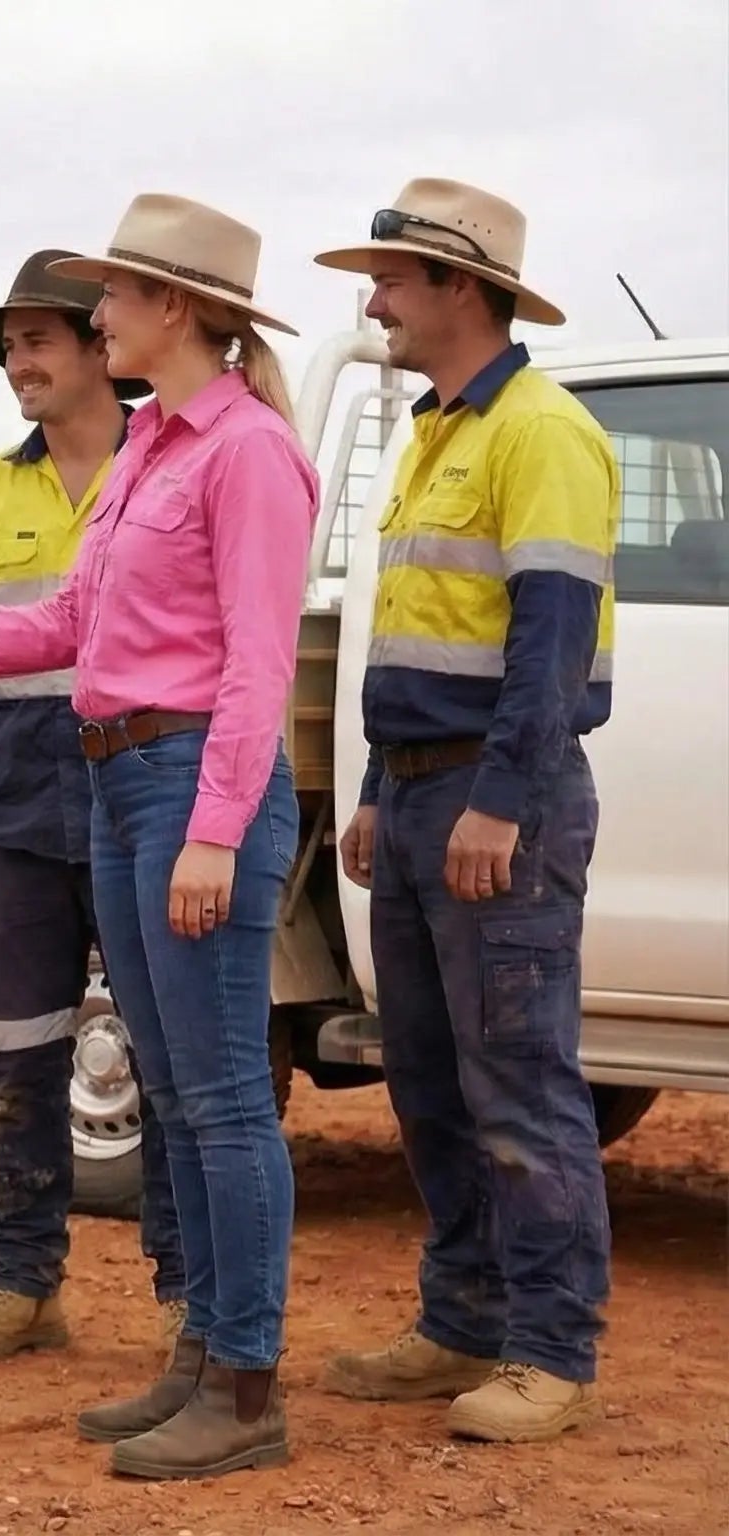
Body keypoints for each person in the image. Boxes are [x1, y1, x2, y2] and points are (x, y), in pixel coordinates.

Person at [0, 194, 316, 1479]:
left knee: (222, 1101)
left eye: (110, 296)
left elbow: (259, 664)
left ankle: (247, 1383)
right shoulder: (154, 448)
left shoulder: (247, 452)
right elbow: (63, 626)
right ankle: (204, 1358)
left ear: (176, 309)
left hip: (183, 787)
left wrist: (217, 829)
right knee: (175, 1087)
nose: (93, 312)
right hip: (116, 785)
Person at [310, 180, 617, 1444]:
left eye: (390, 277)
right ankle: (460, 1321)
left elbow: (547, 645)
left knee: (521, 1085)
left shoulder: (540, 432)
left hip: (504, 805)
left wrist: (498, 801)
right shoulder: (435, 431)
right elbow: (425, 635)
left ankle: (549, 1351)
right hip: (426, 796)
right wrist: (385, 788)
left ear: (462, 288)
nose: (371, 298)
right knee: (431, 1080)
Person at [0, 251, 190, 1364]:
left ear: (97, 348)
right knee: (24, 1051)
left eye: (36, 342)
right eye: (8, 348)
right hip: (22, 804)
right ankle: (22, 1286)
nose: (17, 364)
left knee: (166, 1056)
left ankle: (187, 1299)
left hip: (141, 787)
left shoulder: (167, 465)